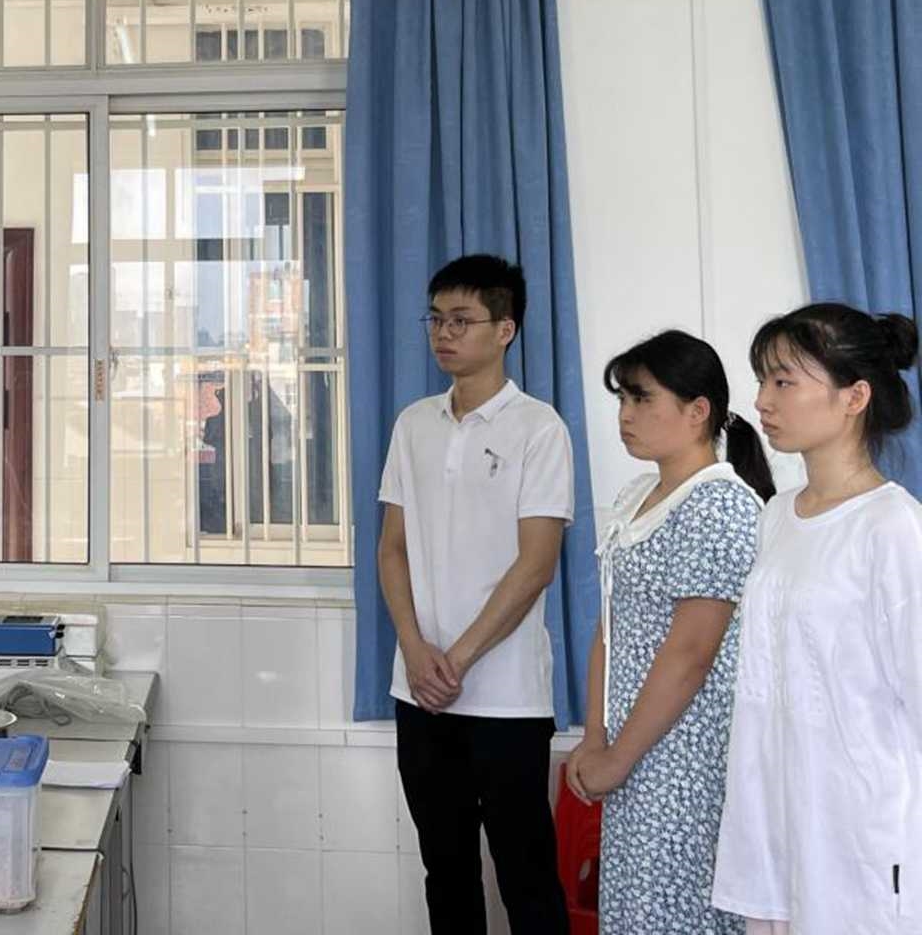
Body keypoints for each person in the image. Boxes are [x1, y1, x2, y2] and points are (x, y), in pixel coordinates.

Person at [378, 254, 574, 934]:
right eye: (436, 319)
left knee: (526, 874)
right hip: (419, 693)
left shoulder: (539, 428)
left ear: (505, 329)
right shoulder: (414, 424)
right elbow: (392, 548)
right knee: (446, 870)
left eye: (462, 320)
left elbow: (536, 564)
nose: (444, 333)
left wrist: (456, 660)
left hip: (507, 698)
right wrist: (415, 651)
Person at [712, 303, 922, 935]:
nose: (761, 400)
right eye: (762, 381)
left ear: (854, 396)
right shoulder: (777, 514)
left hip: (861, 830)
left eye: (784, 381)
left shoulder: (892, 526)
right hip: (777, 817)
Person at [567, 331, 770, 934]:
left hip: (687, 759)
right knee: (635, 911)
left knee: (680, 913)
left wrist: (618, 756)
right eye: (621, 399)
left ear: (697, 410)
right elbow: (610, 626)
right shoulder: (638, 495)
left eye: (641, 398)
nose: (625, 415)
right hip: (632, 752)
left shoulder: (719, 505)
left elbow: (691, 653)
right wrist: (595, 736)